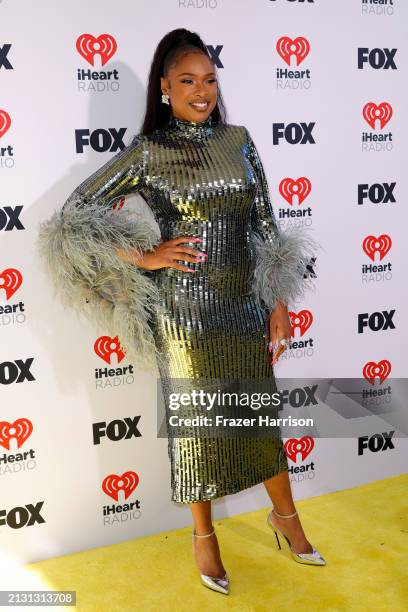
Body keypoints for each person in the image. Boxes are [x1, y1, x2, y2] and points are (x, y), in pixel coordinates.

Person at [38, 28, 325, 596]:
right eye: (188, 81)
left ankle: (285, 518)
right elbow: (72, 216)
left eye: (210, 80)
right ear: (165, 88)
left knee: (257, 421)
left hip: (243, 308)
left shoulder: (239, 140)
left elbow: (265, 225)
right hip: (185, 318)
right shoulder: (149, 153)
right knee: (196, 428)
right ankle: (204, 535)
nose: (202, 92)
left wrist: (279, 301)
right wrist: (141, 257)